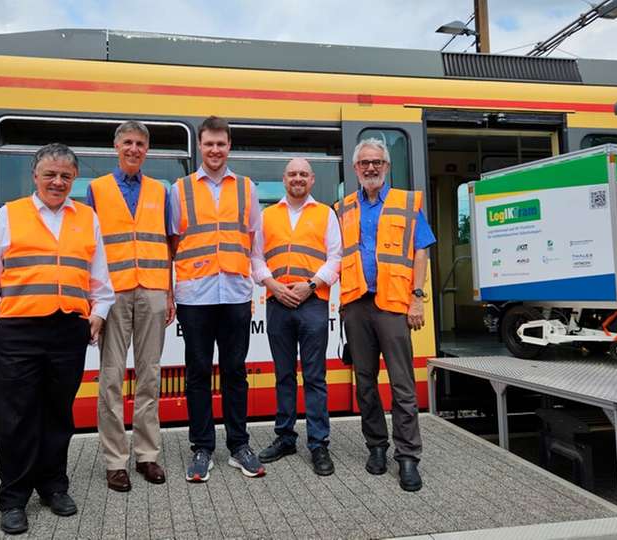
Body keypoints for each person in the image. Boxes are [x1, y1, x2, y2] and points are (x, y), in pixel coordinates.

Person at [0, 143, 115, 534]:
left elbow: (101, 279)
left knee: (57, 414)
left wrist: (97, 314)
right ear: (35, 176)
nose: (58, 181)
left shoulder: (87, 218)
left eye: (66, 176)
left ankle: (54, 486)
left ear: (73, 179)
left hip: (68, 329)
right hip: (17, 332)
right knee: (15, 417)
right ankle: (13, 498)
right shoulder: (9, 216)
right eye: (50, 174)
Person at [335, 138, 435, 492]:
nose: (371, 168)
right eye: (364, 163)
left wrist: (418, 297)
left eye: (377, 162)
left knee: (402, 385)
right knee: (365, 382)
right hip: (357, 305)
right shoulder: (343, 207)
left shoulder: (407, 203)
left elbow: (421, 249)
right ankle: (376, 446)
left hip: (393, 304)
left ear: (387, 166)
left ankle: (407, 457)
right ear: (355, 168)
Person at [168, 116, 265, 481]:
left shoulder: (246, 188)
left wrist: (258, 281)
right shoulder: (179, 190)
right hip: (195, 295)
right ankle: (201, 448)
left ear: (229, 146)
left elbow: (254, 240)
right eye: (208, 144)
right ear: (200, 146)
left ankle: (239, 445)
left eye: (220, 144)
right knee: (197, 373)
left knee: (236, 372)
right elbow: (173, 244)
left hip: (236, 293)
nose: (214, 150)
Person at [87, 121, 175, 492]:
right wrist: (94, 298)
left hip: (153, 290)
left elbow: (169, 244)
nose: (134, 149)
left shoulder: (161, 190)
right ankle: (113, 461)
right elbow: (88, 246)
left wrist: (170, 292)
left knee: (150, 375)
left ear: (147, 150)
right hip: (114, 292)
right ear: (116, 146)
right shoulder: (96, 190)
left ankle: (147, 455)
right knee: (110, 377)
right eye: (128, 142)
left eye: (140, 143)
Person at [252, 158, 341, 476]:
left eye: (303, 174)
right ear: (284, 179)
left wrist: (311, 285)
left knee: (315, 378)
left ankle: (318, 444)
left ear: (312, 180)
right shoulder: (267, 216)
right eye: (293, 174)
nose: (298, 178)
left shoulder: (326, 214)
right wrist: (274, 286)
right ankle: (285, 438)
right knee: (284, 375)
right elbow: (256, 258)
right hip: (277, 303)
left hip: (313, 303)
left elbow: (336, 257)